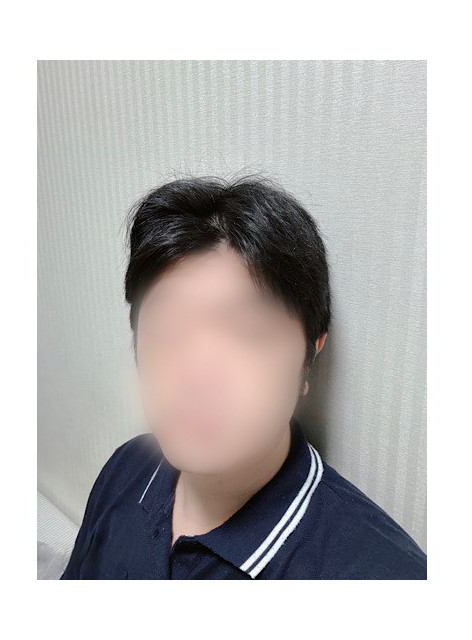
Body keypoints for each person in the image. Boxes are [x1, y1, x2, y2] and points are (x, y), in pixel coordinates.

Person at [60, 174, 426, 579]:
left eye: (247, 333)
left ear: (309, 357)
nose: (196, 373)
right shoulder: (127, 468)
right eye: (167, 330)